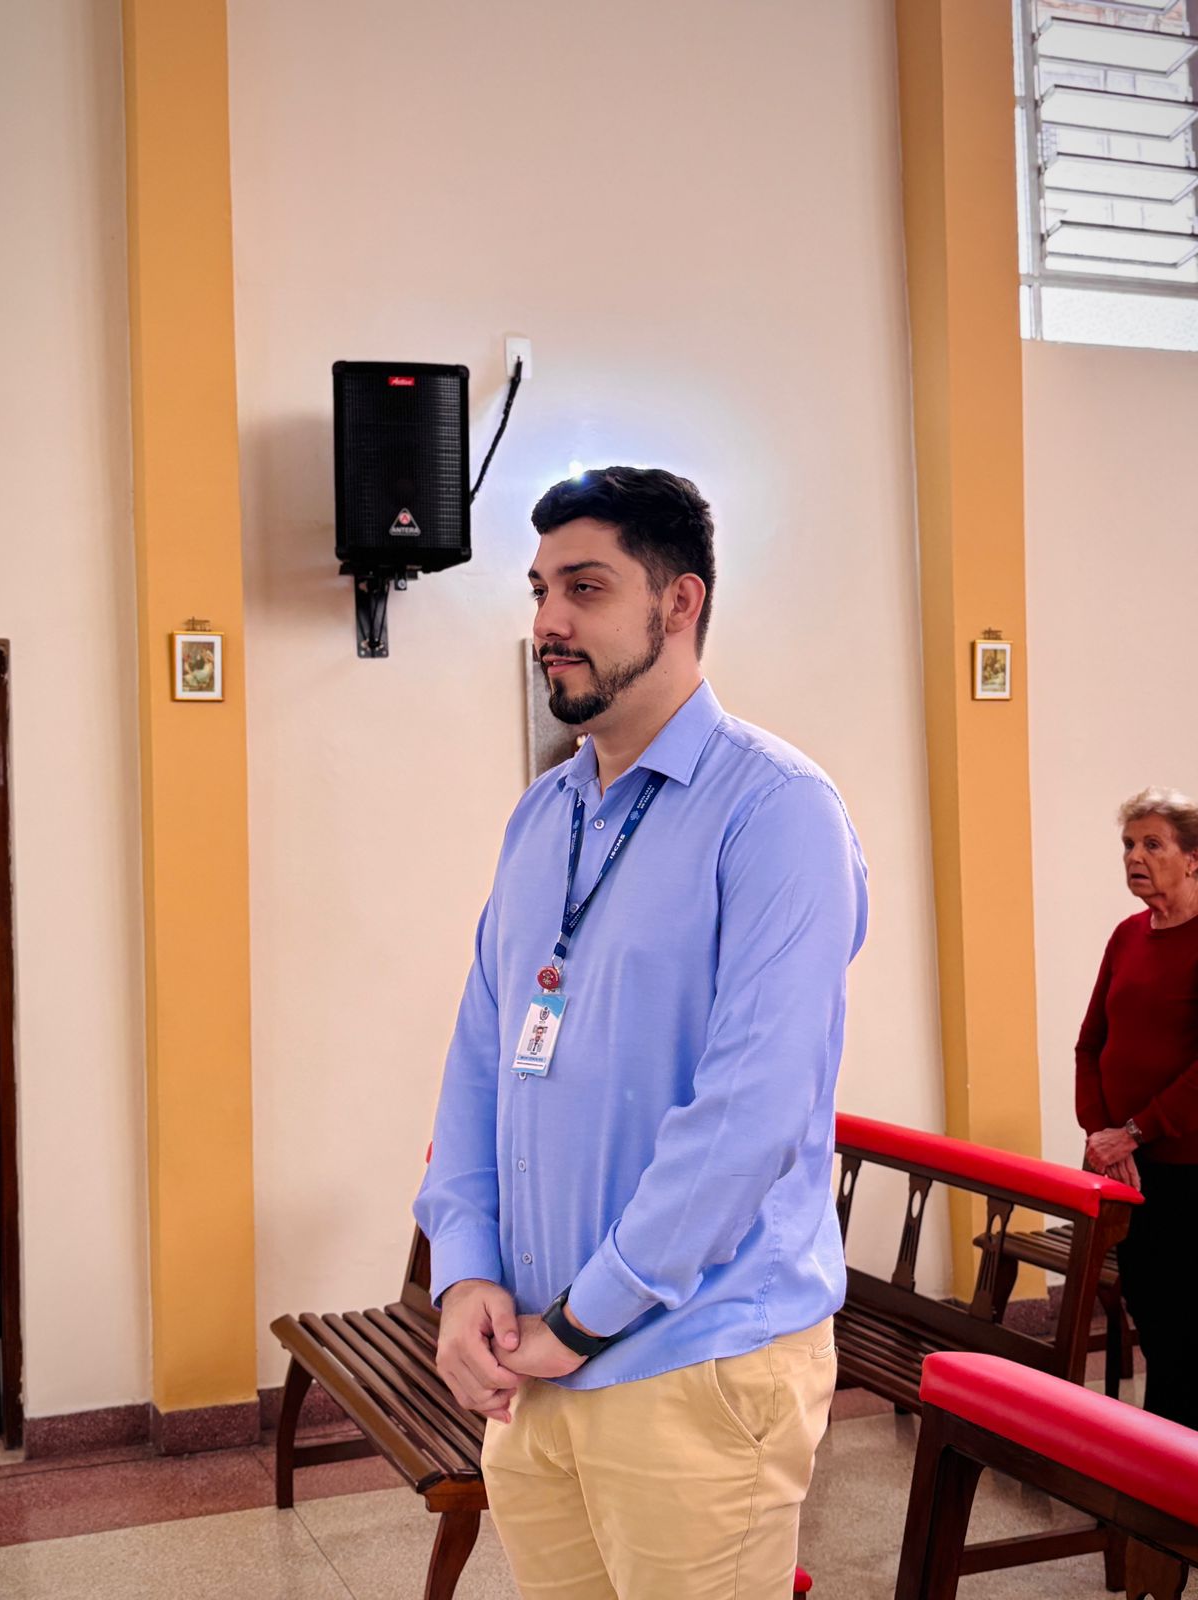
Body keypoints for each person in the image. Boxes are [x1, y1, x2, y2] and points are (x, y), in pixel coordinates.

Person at [414, 466, 868, 1598]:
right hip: (534, 1365)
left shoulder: (776, 811)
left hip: (694, 1363)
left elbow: (749, 1115)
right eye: (539, 591)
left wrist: (586, 1317)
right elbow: (481, 1062)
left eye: (585, 587)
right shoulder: (545, 814)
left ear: (679, 601)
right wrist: (465, 1271)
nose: (548, 622)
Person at [1076, 786, 1198, 1429]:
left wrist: (1134, 1131)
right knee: (1151, 1313)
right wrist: (1102, 1135)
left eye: (1153, 844)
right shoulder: (1127, 935)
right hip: (1126, 1169)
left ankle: (1172, 1461)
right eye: (1129, 844)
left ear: (1193, 858)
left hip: (1187, 1167)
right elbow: (1089, 1044)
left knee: (1186, 1327)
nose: (1135, 856)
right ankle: (1162, 1455)